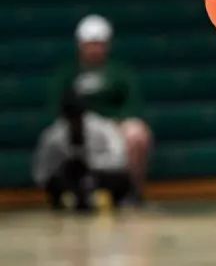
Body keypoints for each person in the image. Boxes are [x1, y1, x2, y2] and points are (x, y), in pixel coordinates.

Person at [47, 14, 153, 204]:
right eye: (90, 43)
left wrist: (115, 121)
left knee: (138, 134)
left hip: (113, 124)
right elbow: (56, 106)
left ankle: (132, 191)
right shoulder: (67, 73)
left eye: (99, 43)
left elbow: (132, 105)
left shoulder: (120, 72)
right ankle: (65, 192)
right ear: (80, 44)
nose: (95, 48)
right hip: (80, 128)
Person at [32, 93, 133, 211]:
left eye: (78, 118)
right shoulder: (52, 137)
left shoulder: (102, 128)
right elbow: (41, 173)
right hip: (69, 178)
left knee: (120, 178)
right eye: (71, 119)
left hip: (99, 174)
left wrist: (91, 163)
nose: (75, 123)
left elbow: (120, 159)